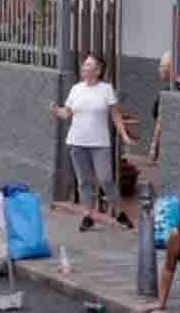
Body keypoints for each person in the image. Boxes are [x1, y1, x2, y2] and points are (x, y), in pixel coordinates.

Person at [54, 53, 130, 231]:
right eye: (84, 64)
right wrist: (56, 110)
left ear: (98, 71)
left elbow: (115, 114)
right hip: (77, 141)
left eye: (88, 65)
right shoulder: (76, 89)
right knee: (84, 181)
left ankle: (119, 212)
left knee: (105, 179)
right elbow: (66, 114)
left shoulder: (106, 89)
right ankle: (88, 215)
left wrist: (124, 135)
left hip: (100, 143)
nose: (84, 67)